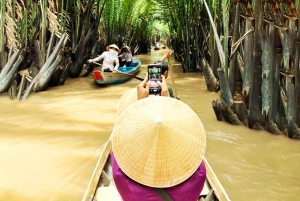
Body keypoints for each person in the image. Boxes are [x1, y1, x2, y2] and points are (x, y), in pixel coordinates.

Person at [111, 76, 207, 201]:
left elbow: (120, 143)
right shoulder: (199, 173)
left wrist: (139, 103)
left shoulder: (120, 173)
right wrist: (168, 102)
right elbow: (195, 148)